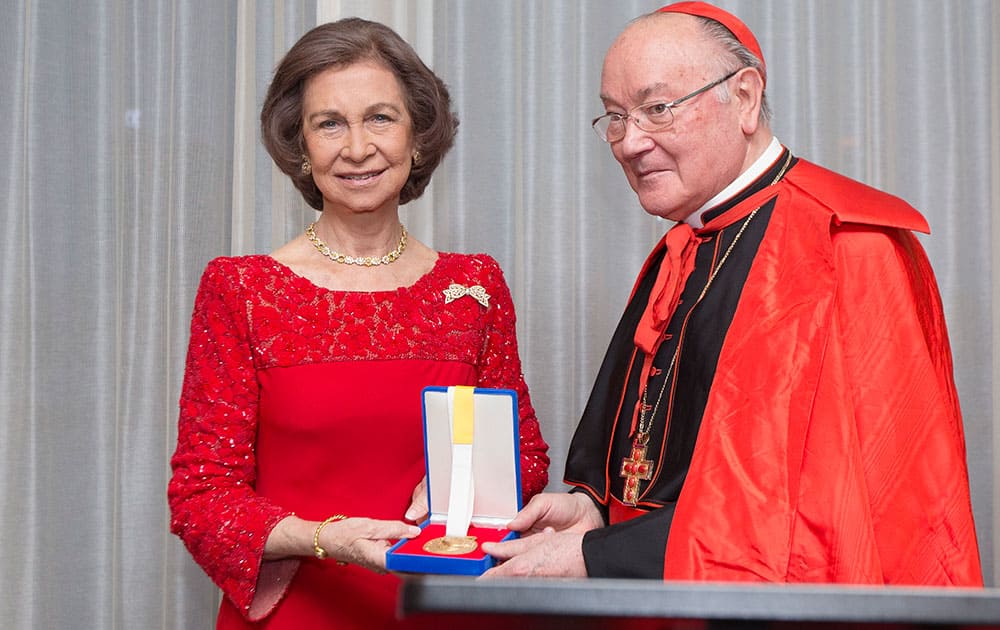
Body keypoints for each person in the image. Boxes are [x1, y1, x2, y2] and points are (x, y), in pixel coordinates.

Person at [482, 1, 982, 586]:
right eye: (615, 117)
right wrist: (593, 512)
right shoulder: (685, 245)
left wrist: (598, 557)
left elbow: (817, 520)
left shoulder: (843, 246)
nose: (628, 142)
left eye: (656, 109)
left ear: (744, 97)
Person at [168, 18, 549, 628]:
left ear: (418, 136)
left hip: (444, 602)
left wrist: (460, 492)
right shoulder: (240, 289)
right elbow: (202, 498)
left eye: (380, 117)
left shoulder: (474, 287)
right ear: (300, 146)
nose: (356, 148)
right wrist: (328, 539)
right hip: (302, 613)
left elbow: (522, 453)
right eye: (329, 124)